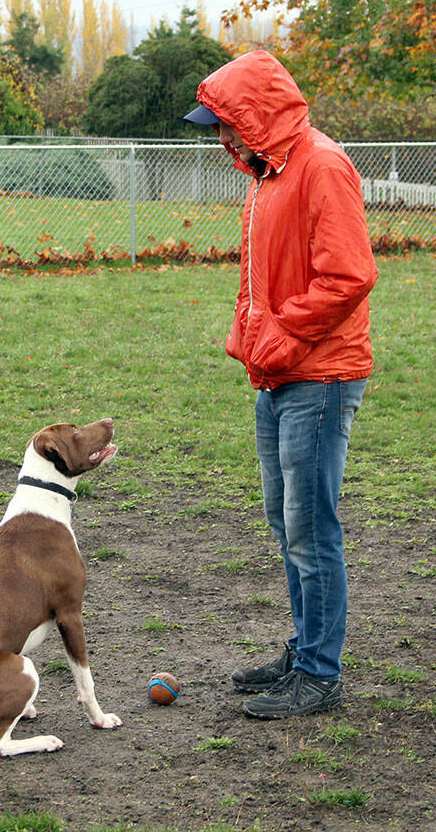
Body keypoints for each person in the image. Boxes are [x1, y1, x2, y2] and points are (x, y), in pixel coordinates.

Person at [184, 51, 378, 719]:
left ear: (257, 114)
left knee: (309, 525)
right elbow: (261, 276)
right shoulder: (270, 174)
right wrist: (250, 334)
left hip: (320, 374)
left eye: (225, 123)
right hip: (278, 373)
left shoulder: (321, 166)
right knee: (285, 518)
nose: (221, 137)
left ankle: (321, 675)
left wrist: (281, 336)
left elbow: (348, 276)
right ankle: (303, 652)